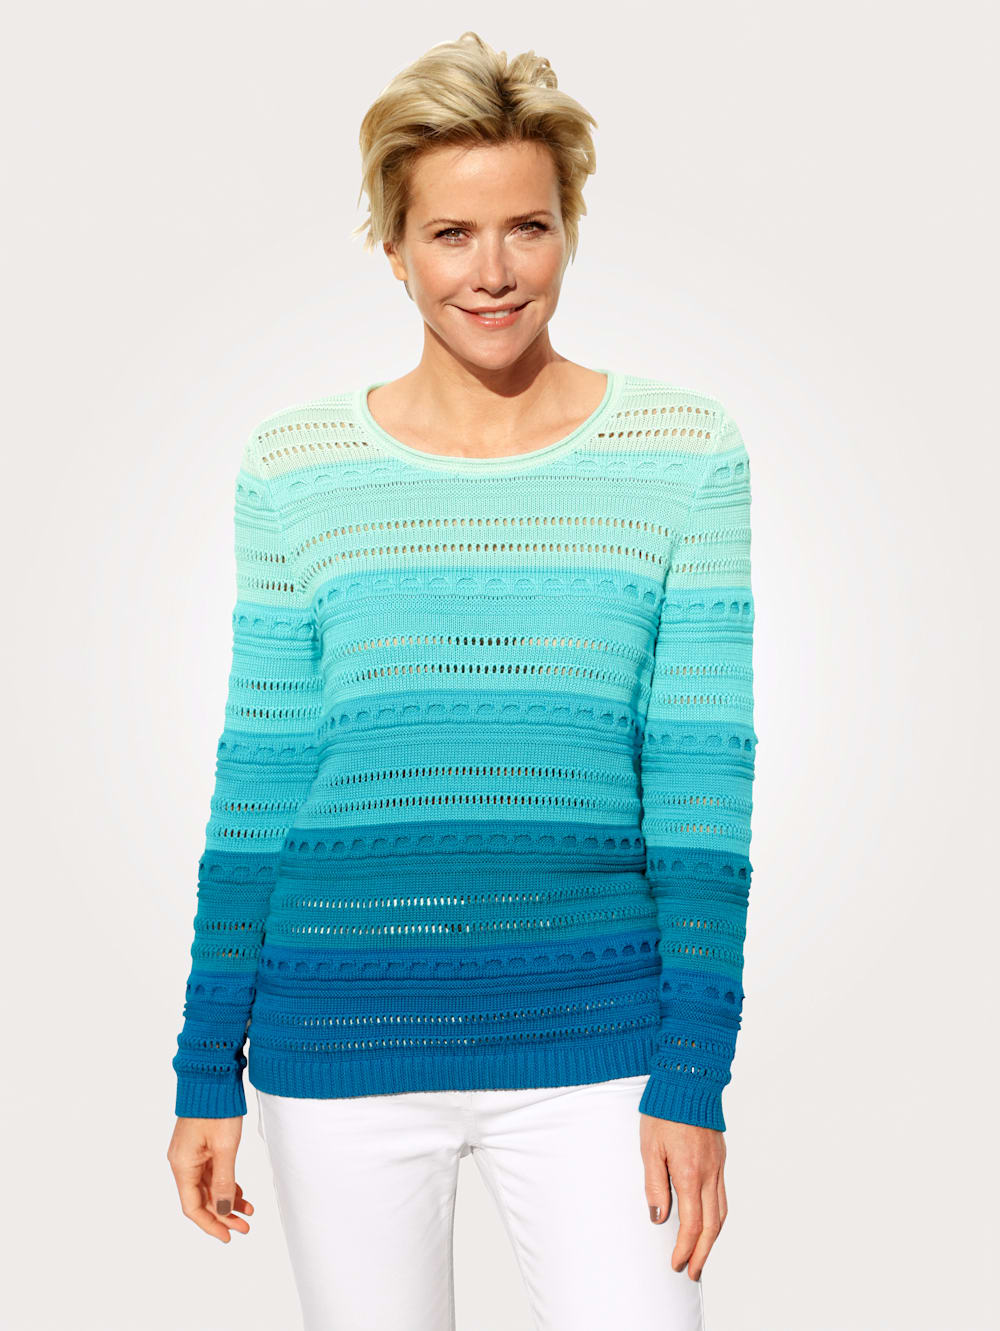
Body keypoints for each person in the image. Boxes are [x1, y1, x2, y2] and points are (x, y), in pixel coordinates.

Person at [166, 30, 757, 1331]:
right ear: (394, 247)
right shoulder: (295, 466)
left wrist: (693, 1070)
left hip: (602, 1040)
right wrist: (207, 1065)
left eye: (527, 227)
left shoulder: (685, 451)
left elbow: (702, 788)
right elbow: (259, 784)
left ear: (568, 232)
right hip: (342, 1032)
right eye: (450, 234)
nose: (493, 272)